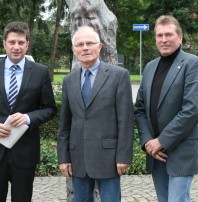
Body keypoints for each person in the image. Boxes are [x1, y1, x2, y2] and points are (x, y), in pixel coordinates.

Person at [0, 21, 57, 202]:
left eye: (21, 42)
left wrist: (28, 117)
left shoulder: (40, 72)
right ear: (4, 43)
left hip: (25, 152)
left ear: (27, 44)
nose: (16, 47)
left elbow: (50, 108)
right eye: (12, 42)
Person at [57, 26, 134, 202]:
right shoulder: (69, 80)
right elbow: (65, 124)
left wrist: (123, 156)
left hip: (109, 158)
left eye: (89, 43)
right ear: (74, 49)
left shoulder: (119, 76)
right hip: (78, 159)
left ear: (99, 47)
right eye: (80, 44)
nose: (85, 47)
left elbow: (126, 120)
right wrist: (63, 158)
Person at [135, 15, 198, 202]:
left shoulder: (193, 64)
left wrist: (162, 141)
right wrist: (149, 142)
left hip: (181, 153)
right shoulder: (150, 67)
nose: (163, 40)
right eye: (159, 35)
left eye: (169, 34)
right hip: (156, 154)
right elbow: (140, 109)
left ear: (180, 37)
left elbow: (193, 109)